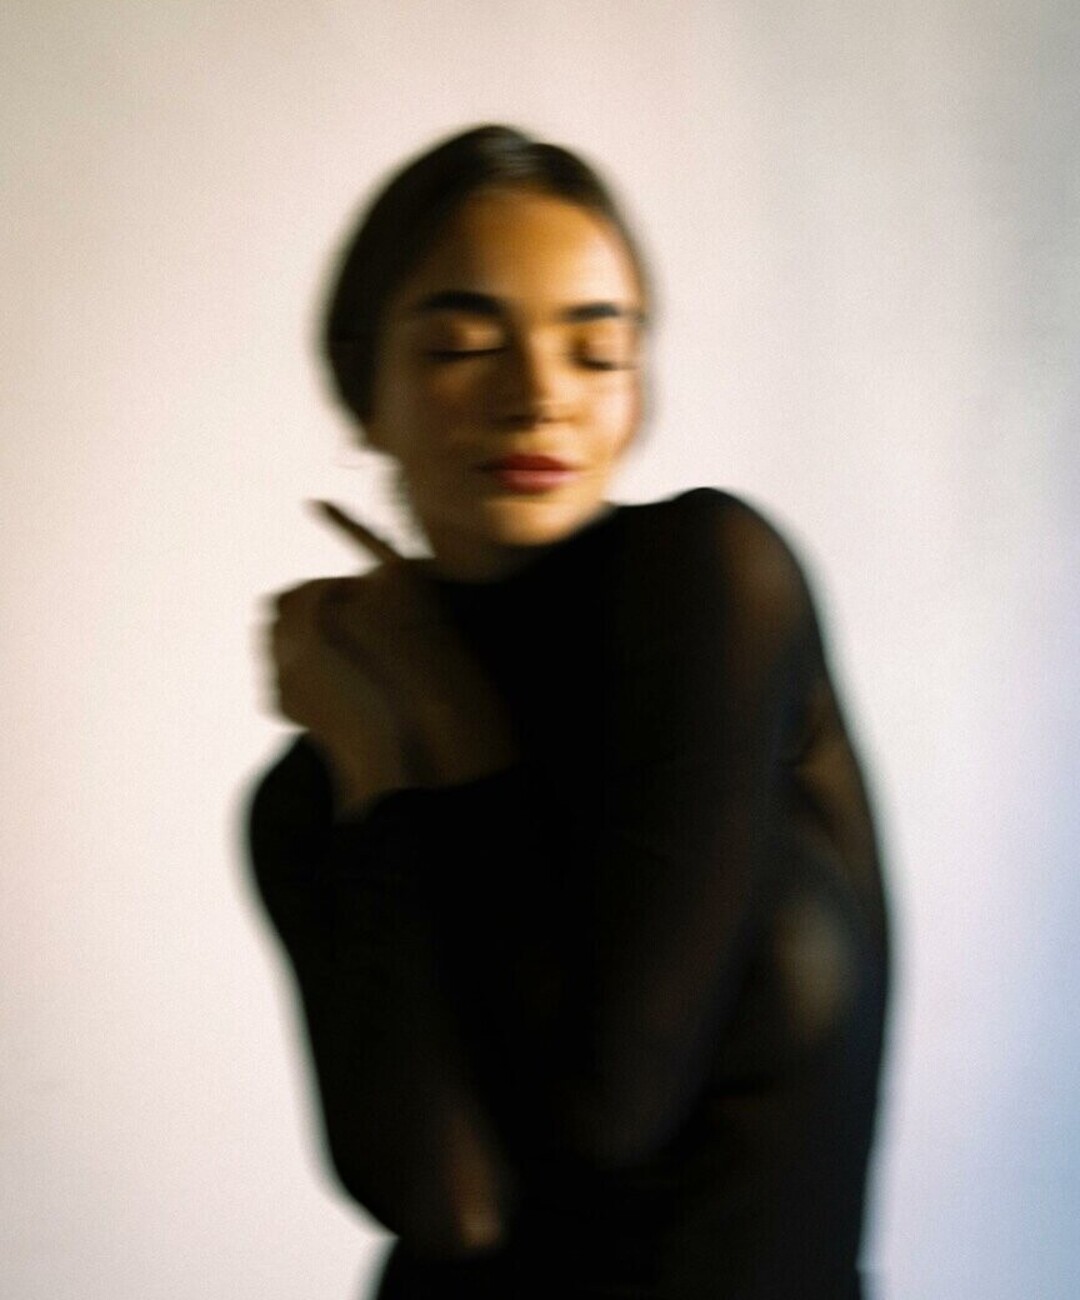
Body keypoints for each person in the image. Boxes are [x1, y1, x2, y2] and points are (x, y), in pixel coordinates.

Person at [247, 124, 890, 1299]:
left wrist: (450, 724)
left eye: (597, 353)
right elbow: (449, 1205)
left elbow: (604, 1109)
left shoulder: (713, 584)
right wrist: (384, 768)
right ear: (364, 391)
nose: (540, 396)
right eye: (462, 345)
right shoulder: (317, 788)